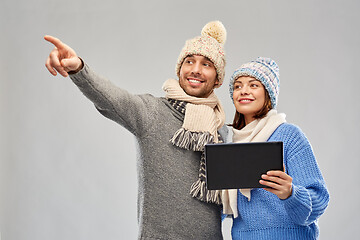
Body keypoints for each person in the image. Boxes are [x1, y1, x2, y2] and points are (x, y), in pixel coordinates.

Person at [44, 21, 228, 239]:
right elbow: (111, 98)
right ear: (180, 69)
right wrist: (79, 69)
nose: (195, 69)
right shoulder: (152, 112)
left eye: (206, 64)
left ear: (217, 80)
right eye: (190, 61)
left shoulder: (220, 130)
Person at [222, 57, 329, 239]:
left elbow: (319, 200)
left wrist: (290, 193)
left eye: (253, 85)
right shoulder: (229, 145)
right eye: (238, 86)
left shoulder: (288, 136)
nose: (243, 91)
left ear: (268, 94)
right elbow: (216, 210)